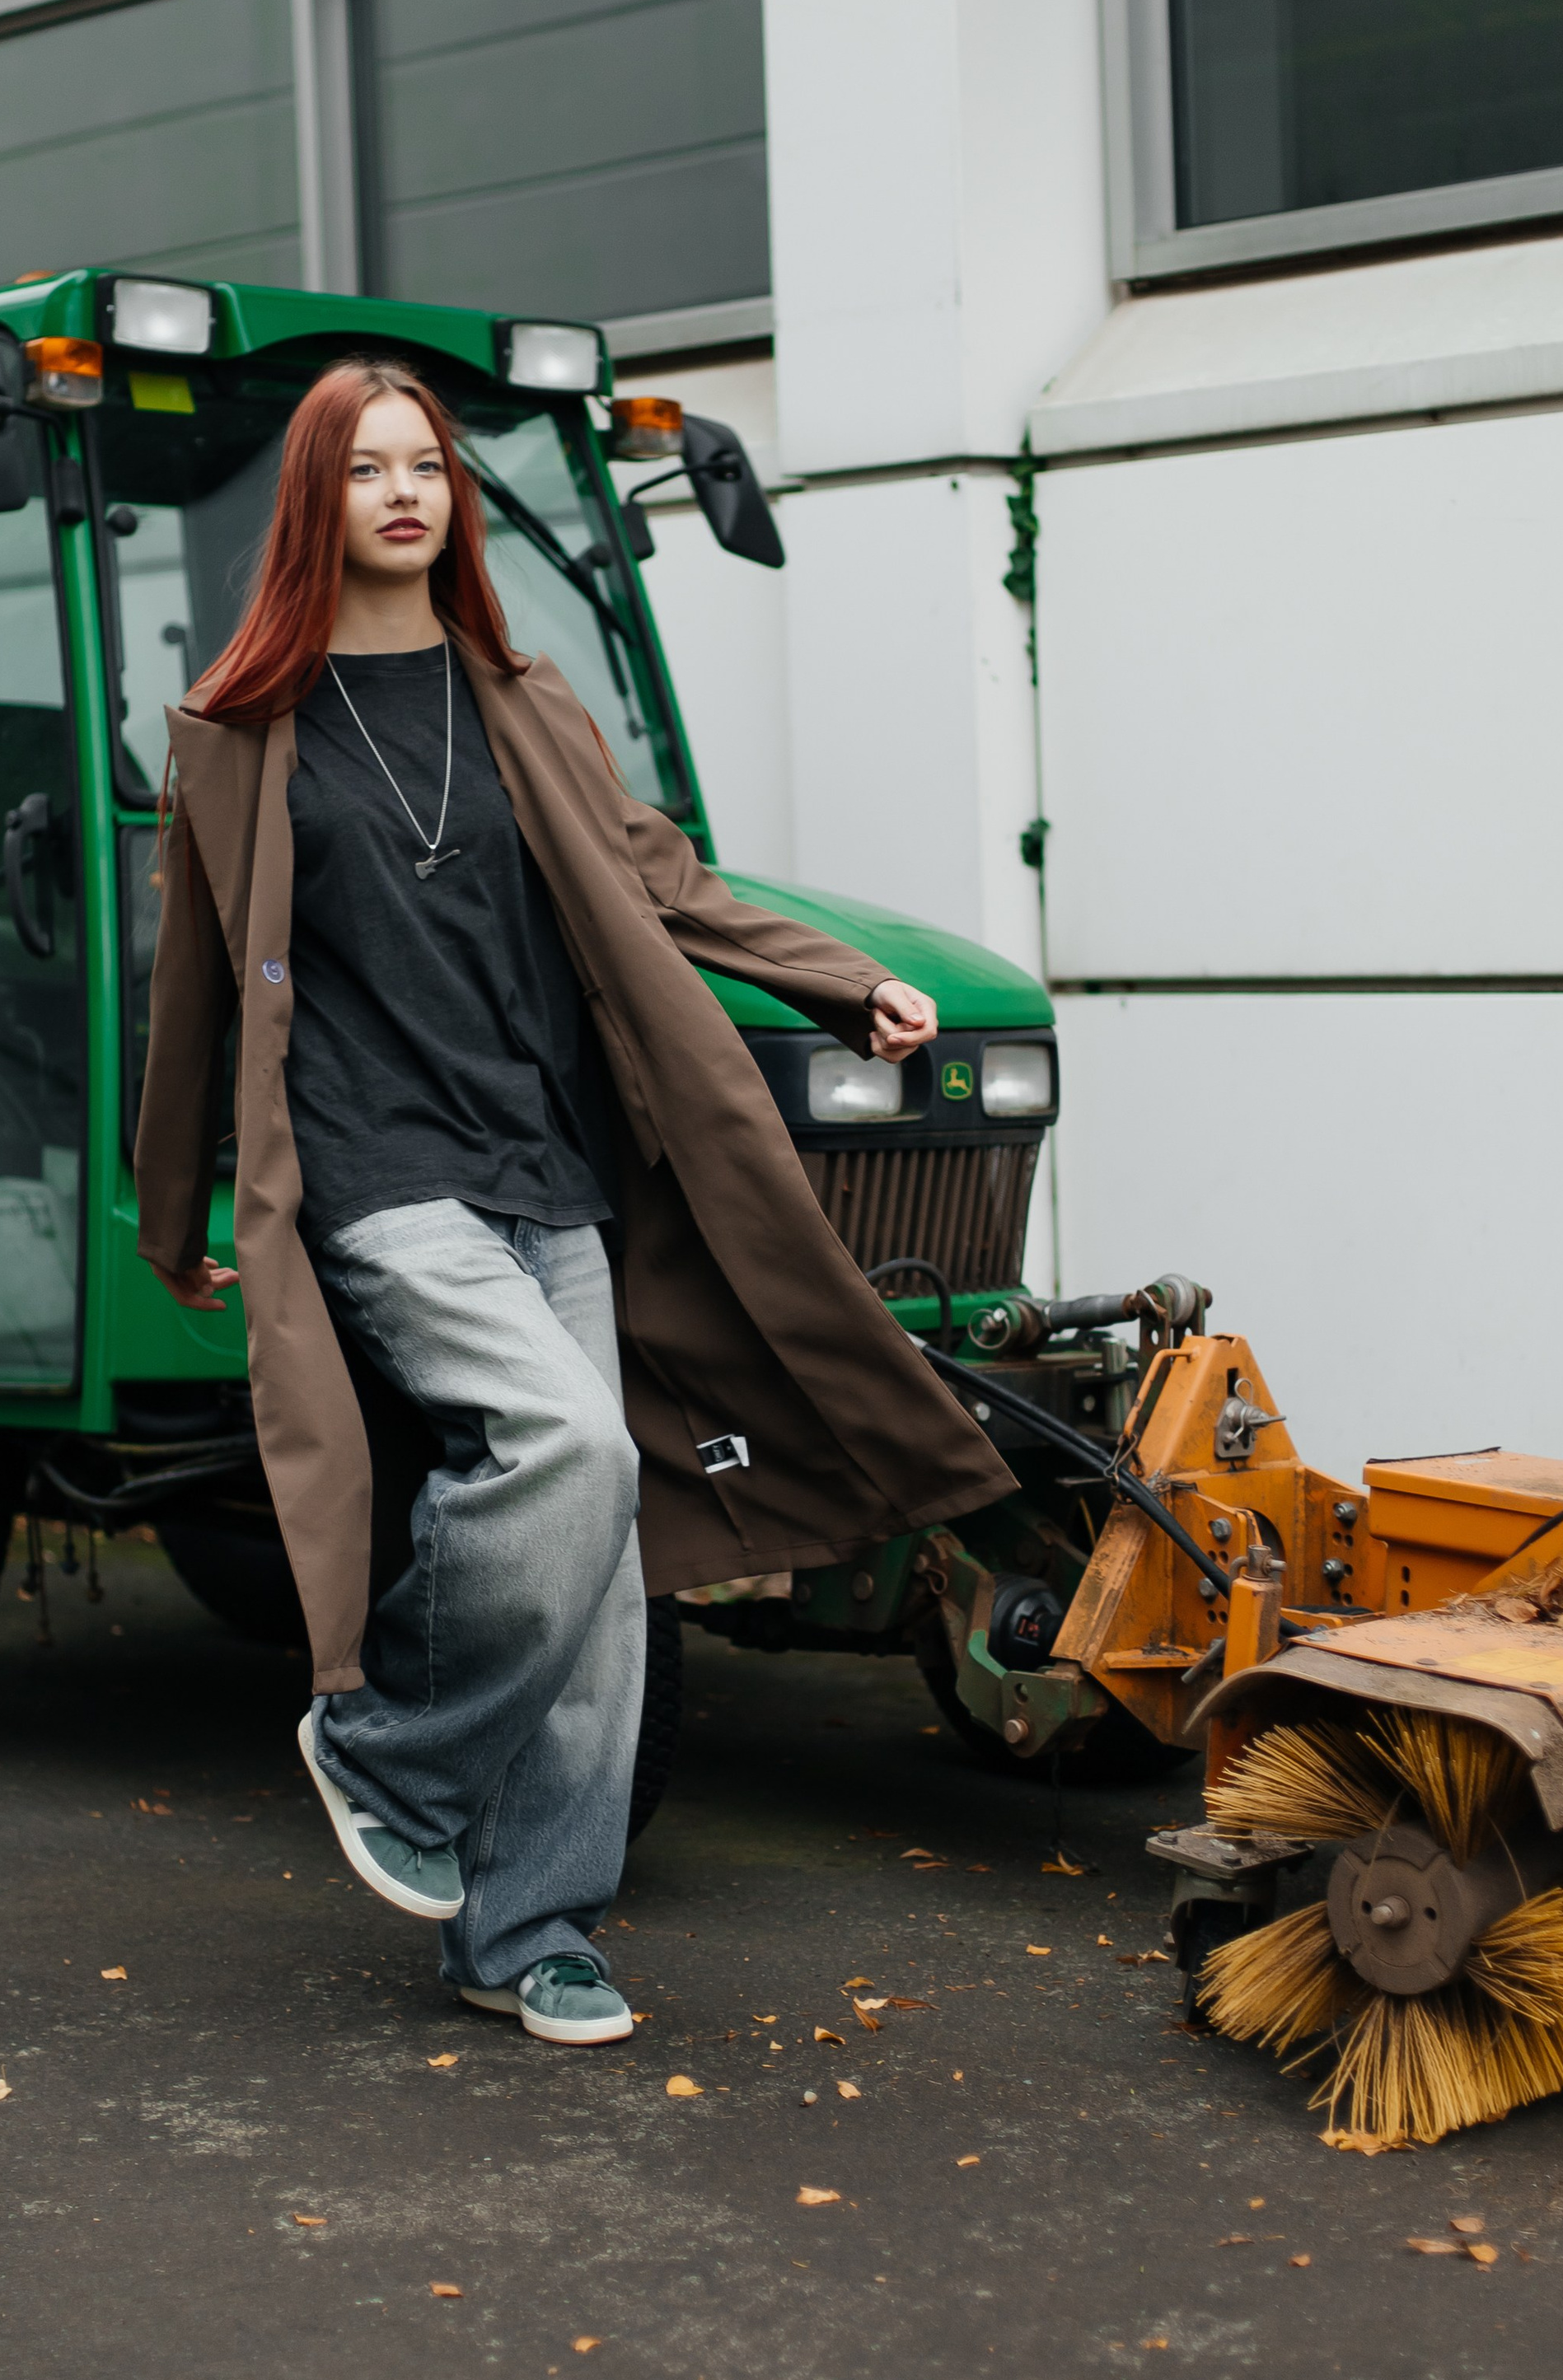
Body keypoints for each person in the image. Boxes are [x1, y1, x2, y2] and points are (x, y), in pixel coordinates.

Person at [134, 358, 1014, 2047]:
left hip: (547, 1170)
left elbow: (662, 881)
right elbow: (196, 993)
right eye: (365, 470)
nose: (405, 493)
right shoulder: (239, 742)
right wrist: (179, 1217)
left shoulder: (525, 702)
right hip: (381, 1177)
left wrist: (838, 985)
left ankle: (522, 1931)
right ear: (311, 505)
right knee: (572, 1451)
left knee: (601, 1569)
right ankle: (389, 1748)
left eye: (428, 468)